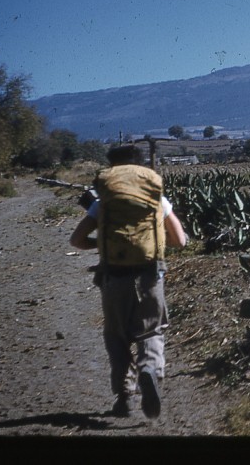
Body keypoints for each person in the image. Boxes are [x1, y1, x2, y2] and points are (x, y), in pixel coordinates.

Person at [70, 143, 187, 419]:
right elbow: (180, 241)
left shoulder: (102, 202)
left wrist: (101, 246)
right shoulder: (157, 198)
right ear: (141, 167)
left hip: (114, 277)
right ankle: (149, 368)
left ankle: (124, 397)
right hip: (149, 274)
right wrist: (157, 244)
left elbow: (75, 240)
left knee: (117, 337)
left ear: (113, 169)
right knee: (152, 330)